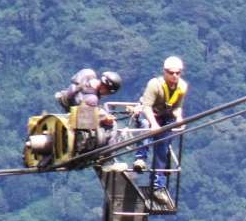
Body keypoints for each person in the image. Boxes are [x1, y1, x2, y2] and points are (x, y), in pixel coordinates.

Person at [133, 56, 188, 198]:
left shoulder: (182, 87)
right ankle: (140, 158)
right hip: (150, 114)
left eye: (178, 73)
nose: (174, 76)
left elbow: (177, 107)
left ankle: (158, 186)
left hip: (166, 117)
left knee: (162, 148)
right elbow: (147, 106)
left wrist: (179, 119)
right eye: (171, 72)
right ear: (165, 72)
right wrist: (154, 124)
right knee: (145, 127)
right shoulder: (155, 85)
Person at [54, 69, 121, 112]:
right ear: (106, 89)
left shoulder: (88, 73)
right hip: (74, 109)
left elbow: (73, 80)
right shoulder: (93, 99)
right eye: (108, 92)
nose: (106, 94)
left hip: (64, 96)